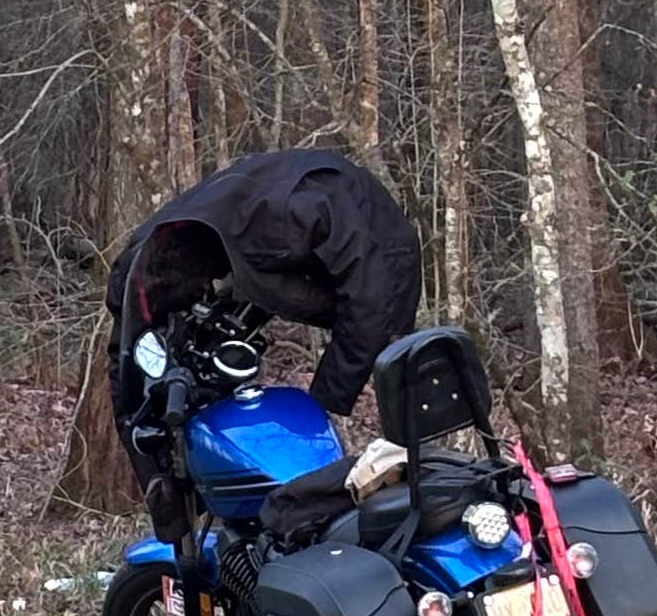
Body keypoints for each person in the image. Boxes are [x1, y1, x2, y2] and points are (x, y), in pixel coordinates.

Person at [104, 146, 424, 481]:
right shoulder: (152, 260)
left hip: (361, 239)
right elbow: (126, 369)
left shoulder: (292, 221)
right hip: (270, 221)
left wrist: (321, 405)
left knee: (374, 330)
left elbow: (370, 308)